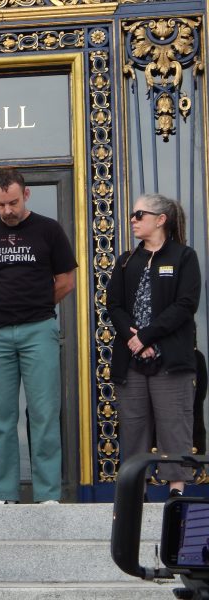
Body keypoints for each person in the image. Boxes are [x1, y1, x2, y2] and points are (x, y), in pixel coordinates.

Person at [0, 167, 77, 505]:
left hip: (38, 329)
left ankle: (47, 495)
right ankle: (4, 494)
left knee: (43, 413)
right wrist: (3, 305)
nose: (7, 211)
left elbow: (66, 280)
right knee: (0, 416)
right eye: (0, 204)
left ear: (25, 194)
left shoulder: (49, 230)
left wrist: (36, 305)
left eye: (12, 202)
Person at [107, 193, 200, 497]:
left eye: (139, 215)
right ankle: (137, 491)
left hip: (170, 359)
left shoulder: (184, 257)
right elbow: (114, 304)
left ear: (161, 220)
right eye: (133, 215)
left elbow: (186, 304)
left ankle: (176, 490)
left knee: (174, 423)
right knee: (133, 426)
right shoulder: (125, 261)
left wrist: (147, 336)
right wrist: (133, 339)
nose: (133, 220)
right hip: (132, 359)